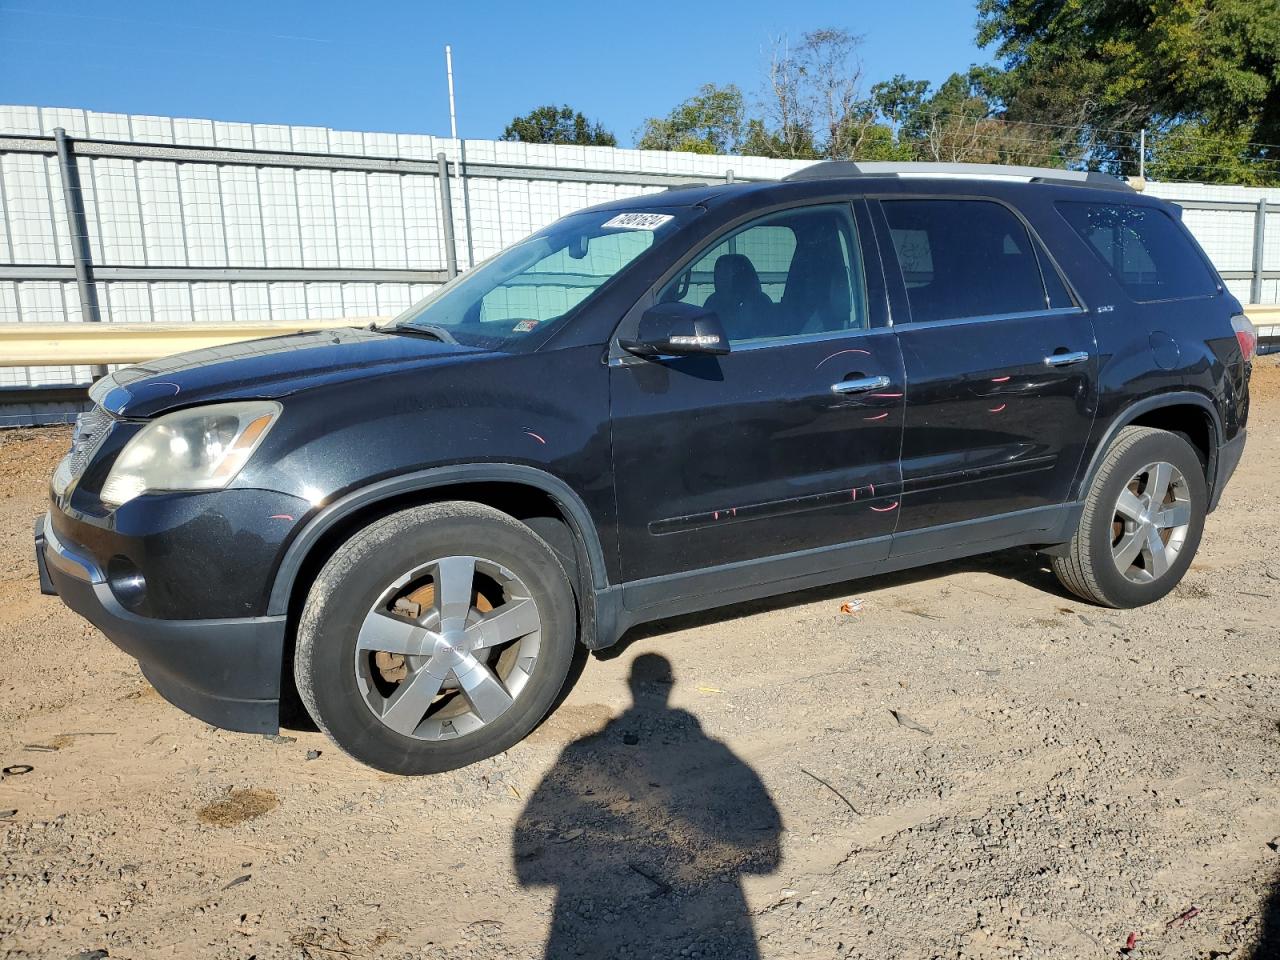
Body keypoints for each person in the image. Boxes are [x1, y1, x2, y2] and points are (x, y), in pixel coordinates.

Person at [514, 653, 782, 959]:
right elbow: (769, 857)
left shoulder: (578, 752)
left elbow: (528, 864)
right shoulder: (711, 747)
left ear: (629, 685)